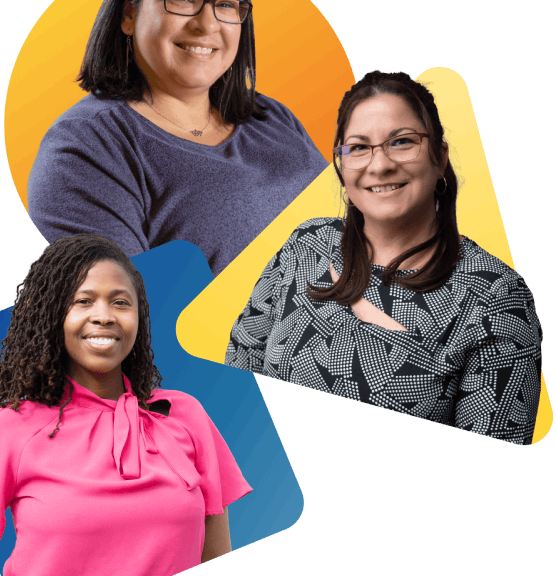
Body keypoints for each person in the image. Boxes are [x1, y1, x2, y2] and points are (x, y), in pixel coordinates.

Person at [225, 70, 542, 445]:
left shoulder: (498, 300)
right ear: (341, 166)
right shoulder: (306, 244)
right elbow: (240, 369)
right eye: (359, 147)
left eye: (402, 142)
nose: (380, 165)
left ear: (440, 157)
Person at [0, 234, 252, 576]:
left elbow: (216, 552)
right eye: (83, 301)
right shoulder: (11, 428)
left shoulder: (185, 414)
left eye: (120, 302)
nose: (104, 316)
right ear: (51, 314)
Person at [27, 0, 328, 276]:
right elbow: (143, 315)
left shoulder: (272, 117)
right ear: (129, 13)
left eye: (227, 4)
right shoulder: (87, 149)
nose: (207, 24)